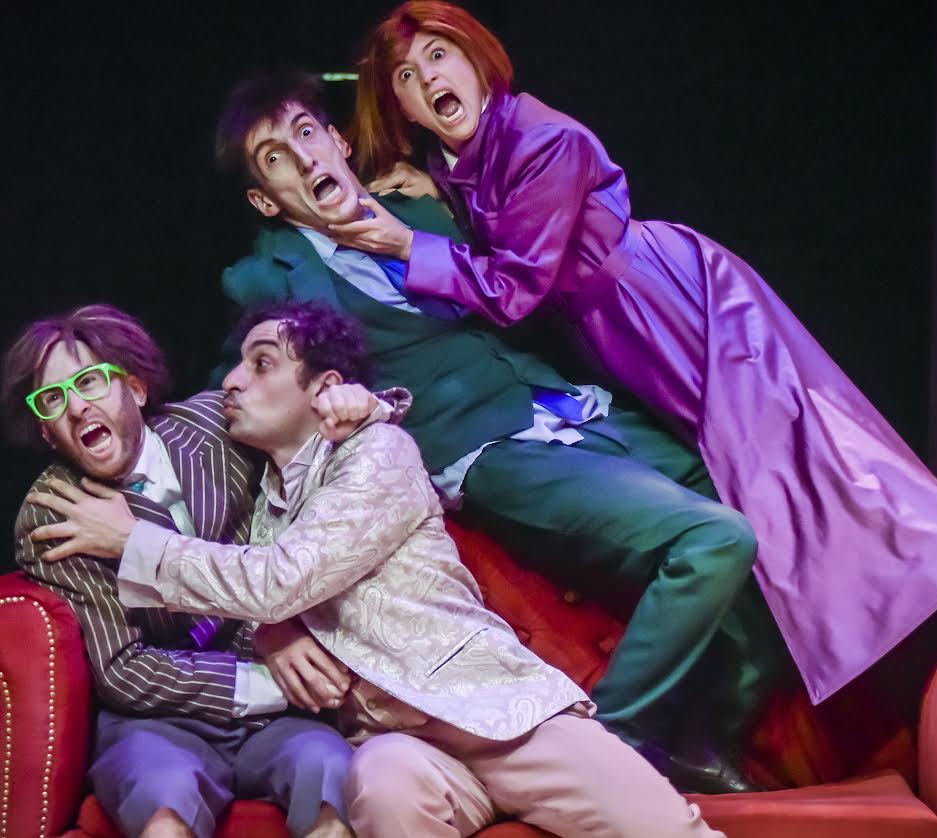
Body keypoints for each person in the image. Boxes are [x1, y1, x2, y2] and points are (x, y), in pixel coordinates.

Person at [343, 0, 937, 704]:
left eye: (439, 54)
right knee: (768, 472)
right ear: (400, 106)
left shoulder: (542, 139)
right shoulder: (463, 160)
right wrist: (428, 187)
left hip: (670, 304)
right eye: (406, 75)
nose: (428, 78)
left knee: (798, 453)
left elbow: (514, 287)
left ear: (476, 60)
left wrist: (409, 243)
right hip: (620, 332)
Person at [216, 71, 780, 794]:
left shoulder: (424, 205)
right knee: (714, 539)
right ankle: (605, 748)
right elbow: (236, 406)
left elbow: (535, 235)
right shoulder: (268, 279)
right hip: (485, 450)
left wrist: (438, 192)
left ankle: (710, 733)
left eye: (305, 134)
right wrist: (274, 618)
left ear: (338, 142)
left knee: (765, 522)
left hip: (575, 408)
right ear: (266, 200)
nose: (301, 159)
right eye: (274, 158)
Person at [30, 301, 728, 838]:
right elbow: (259, 587)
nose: (233, 381)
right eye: (237, 365)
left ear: (324, 389)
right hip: (396, 743)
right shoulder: (262, 503)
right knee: (379, 785)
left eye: (262, 364)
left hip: (491, 714)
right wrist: (275, 633)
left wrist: (135, 542)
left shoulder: (374, 455)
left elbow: (282, 578)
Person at [2, 303, 391, 838]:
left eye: (89, 381)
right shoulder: (54, 512)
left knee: (329, 775)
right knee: (164, 804)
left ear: (135, 388)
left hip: (280, 719)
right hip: (159, 723)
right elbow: (122, 669)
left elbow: (320, 459)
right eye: (52, 399)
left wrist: (360, 406)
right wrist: (276, 682)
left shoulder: (214, 426)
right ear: (48, 433)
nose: (75, 406)